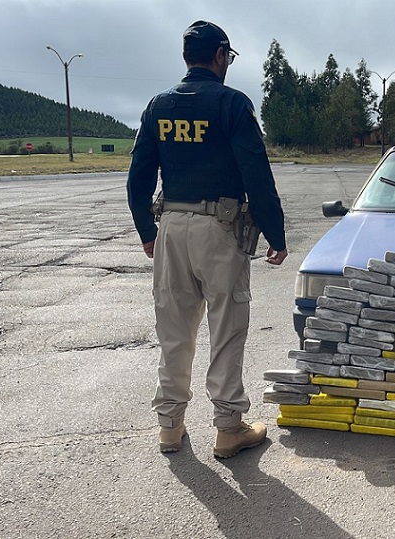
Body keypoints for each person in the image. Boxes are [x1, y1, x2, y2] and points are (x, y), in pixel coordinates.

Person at [126, 20, 288, 458]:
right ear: (219, 55)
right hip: (221, 227)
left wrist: (147, 232)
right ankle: (228, 428)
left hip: (172, 226)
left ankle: (170, 427)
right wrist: (276, 233)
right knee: (227, 327)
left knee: (174, 329)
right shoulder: (233, 105)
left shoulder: (158, 106)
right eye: (228, 58)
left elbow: (138, 176)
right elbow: (257, 172)